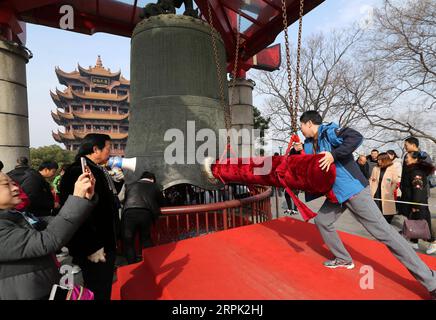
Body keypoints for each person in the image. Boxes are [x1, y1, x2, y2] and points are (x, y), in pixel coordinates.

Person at [293, 111, 436, 300]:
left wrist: (333, 154)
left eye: (301, 126)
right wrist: (297, 151)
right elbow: (308, 165)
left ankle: (431, 281)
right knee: (322, 221)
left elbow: (356, 137)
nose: (300, 129)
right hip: (336, 194)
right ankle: (343, 258)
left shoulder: (331, 131)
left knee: (385, 234)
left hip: (354, 191)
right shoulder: (310, 144)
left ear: (309, 123)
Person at [0, 170, 96, 300]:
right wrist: (77, 198)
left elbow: (54, 224)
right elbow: (47, 240)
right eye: (6, 184)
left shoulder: (15, 216)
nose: (16, 188)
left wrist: (83, 199)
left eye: (13, 183)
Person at [59, 133, 119, 300]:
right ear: (95, 149)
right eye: (108, 148)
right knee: (98, 288)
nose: (110, 152)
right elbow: (80, 213)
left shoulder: (93, 169)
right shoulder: (81, 171)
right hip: (95, 246)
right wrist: (93, 247)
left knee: (100, 285)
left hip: (100, 243)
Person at [121, 171, 165, 264]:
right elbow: (162, 202)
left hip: (129, 212)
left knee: (128, 240)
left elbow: (124, 200)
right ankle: (148, 263)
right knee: (145, 239)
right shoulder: (155, 186)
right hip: (146, 213)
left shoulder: (129, 185)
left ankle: (131, 264)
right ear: (152, 179)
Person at [402, 151, 436, 255]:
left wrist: (415, 205)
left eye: (407, 157)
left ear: (415, 159)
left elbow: (418, 190)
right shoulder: (412, 170)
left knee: (424, 225)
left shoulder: (416, 172)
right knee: (415, 223)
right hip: (413, 203)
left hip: (418, 204)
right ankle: (413, 242)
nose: (406, 159)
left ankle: (433, 242)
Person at [399, 137, 433, 216]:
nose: (405, 147)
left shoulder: (423, 156)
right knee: (409, 216)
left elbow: (426, 174)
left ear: (413, 145)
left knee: (420, 216)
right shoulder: (406, 156)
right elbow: (404, 174)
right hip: (407, 192)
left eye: (406, 145)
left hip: (418, 192)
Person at [369, 152, 400, 224]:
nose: (378, 161)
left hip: (387, 192)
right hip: (376, 191)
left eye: (380, 160)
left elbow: (395, 182)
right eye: (378, 160)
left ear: (385, 159)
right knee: (376, 208)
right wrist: (371, 187)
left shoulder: (392, 168)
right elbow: (371, 179)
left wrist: (391, 191)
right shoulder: (375, 168)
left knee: (386, 210)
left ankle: (386, 223)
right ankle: (377, 223)